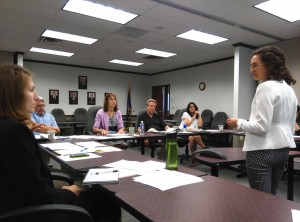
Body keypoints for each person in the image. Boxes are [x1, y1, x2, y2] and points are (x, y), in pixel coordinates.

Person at [0, 64, 121, 222]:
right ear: (14, 95)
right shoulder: (15, 131)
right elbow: (40, 196)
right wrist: (69, 191)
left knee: (98, 192)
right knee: (106, 197)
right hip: (37, 214)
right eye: (31, 90)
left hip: (22, 205)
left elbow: (29, 184)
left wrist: (60, 190)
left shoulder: (7, 127)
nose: (36, 97)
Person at [226, 46, 297, 195]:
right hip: (283, 151)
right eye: (251, 66)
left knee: (261, 199)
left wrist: (238, 122)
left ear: (270, 64)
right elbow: (291, 126)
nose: (251, 69)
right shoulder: (288, 89)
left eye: (255, 65)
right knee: (272, 196)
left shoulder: (265, 87)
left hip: (262, 152)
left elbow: (261, 127)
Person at [179, 102, 207, 166]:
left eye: (193, 106)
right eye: (190, 107)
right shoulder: (185, 114)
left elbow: (200, 125)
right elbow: (187, 124)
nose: (192, 108)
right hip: (184, 133)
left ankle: (193, 157)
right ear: (188, 108)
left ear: (195, 108)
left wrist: (199, 115)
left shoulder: (197, 116)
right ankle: (204, 148)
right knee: (192, 137)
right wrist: (194, 116)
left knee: (193, 137)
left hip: (193, 133)